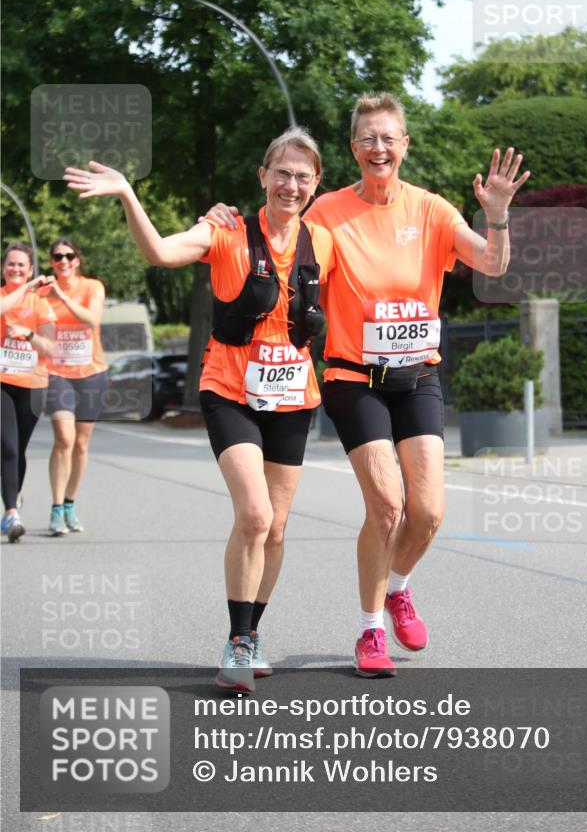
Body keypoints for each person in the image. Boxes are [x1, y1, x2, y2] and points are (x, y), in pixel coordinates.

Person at [204, 92, 529, 678]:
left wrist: (498, 215)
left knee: (427, 513)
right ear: (354, 148)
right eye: (368, 139)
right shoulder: (327, 211)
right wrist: (224, 219)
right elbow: (274, 232)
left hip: (419, 376)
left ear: (405, 145)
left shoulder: (431, 210)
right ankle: (370, 629)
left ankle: (398, 587)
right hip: (354, 378)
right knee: (387, 505)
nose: (379, 148)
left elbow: (492, 264)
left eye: (388, 138)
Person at [63, 127, 334, 692]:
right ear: (262, 176)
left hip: (292, 395)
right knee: (255, 514)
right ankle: (236, 641)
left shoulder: (324, 242)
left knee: (277, 527)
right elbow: (160, 252)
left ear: (315, 185)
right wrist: (127, 193)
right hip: (229, 389)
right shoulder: (226, 230)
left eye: (303, 177)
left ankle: (252, 633)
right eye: (282, 173)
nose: (291, 185)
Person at [43, 239, 109, 537]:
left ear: (77, 260)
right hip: (57, 374)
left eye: (69, 256)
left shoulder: (92, 287)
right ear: (51, 261)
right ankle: (57, 508)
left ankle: (70, 503)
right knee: (65, 438)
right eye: (58, 256)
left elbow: (92, 320)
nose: (64, 261)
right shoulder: (43, 294)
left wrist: (62, 297)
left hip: (91, 373)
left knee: (81, 443)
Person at [1, 243, 56, 542]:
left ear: (31, 269)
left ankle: (14, 497)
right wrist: (24, 289)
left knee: (18, 448)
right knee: (7, 446)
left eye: (21, 265)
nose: (16, 269)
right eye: (11, 264)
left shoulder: (40, 304)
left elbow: (50, 349)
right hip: (2, 382)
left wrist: (29, 334)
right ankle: (12, 513)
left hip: (33, 385)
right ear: (3, 269)